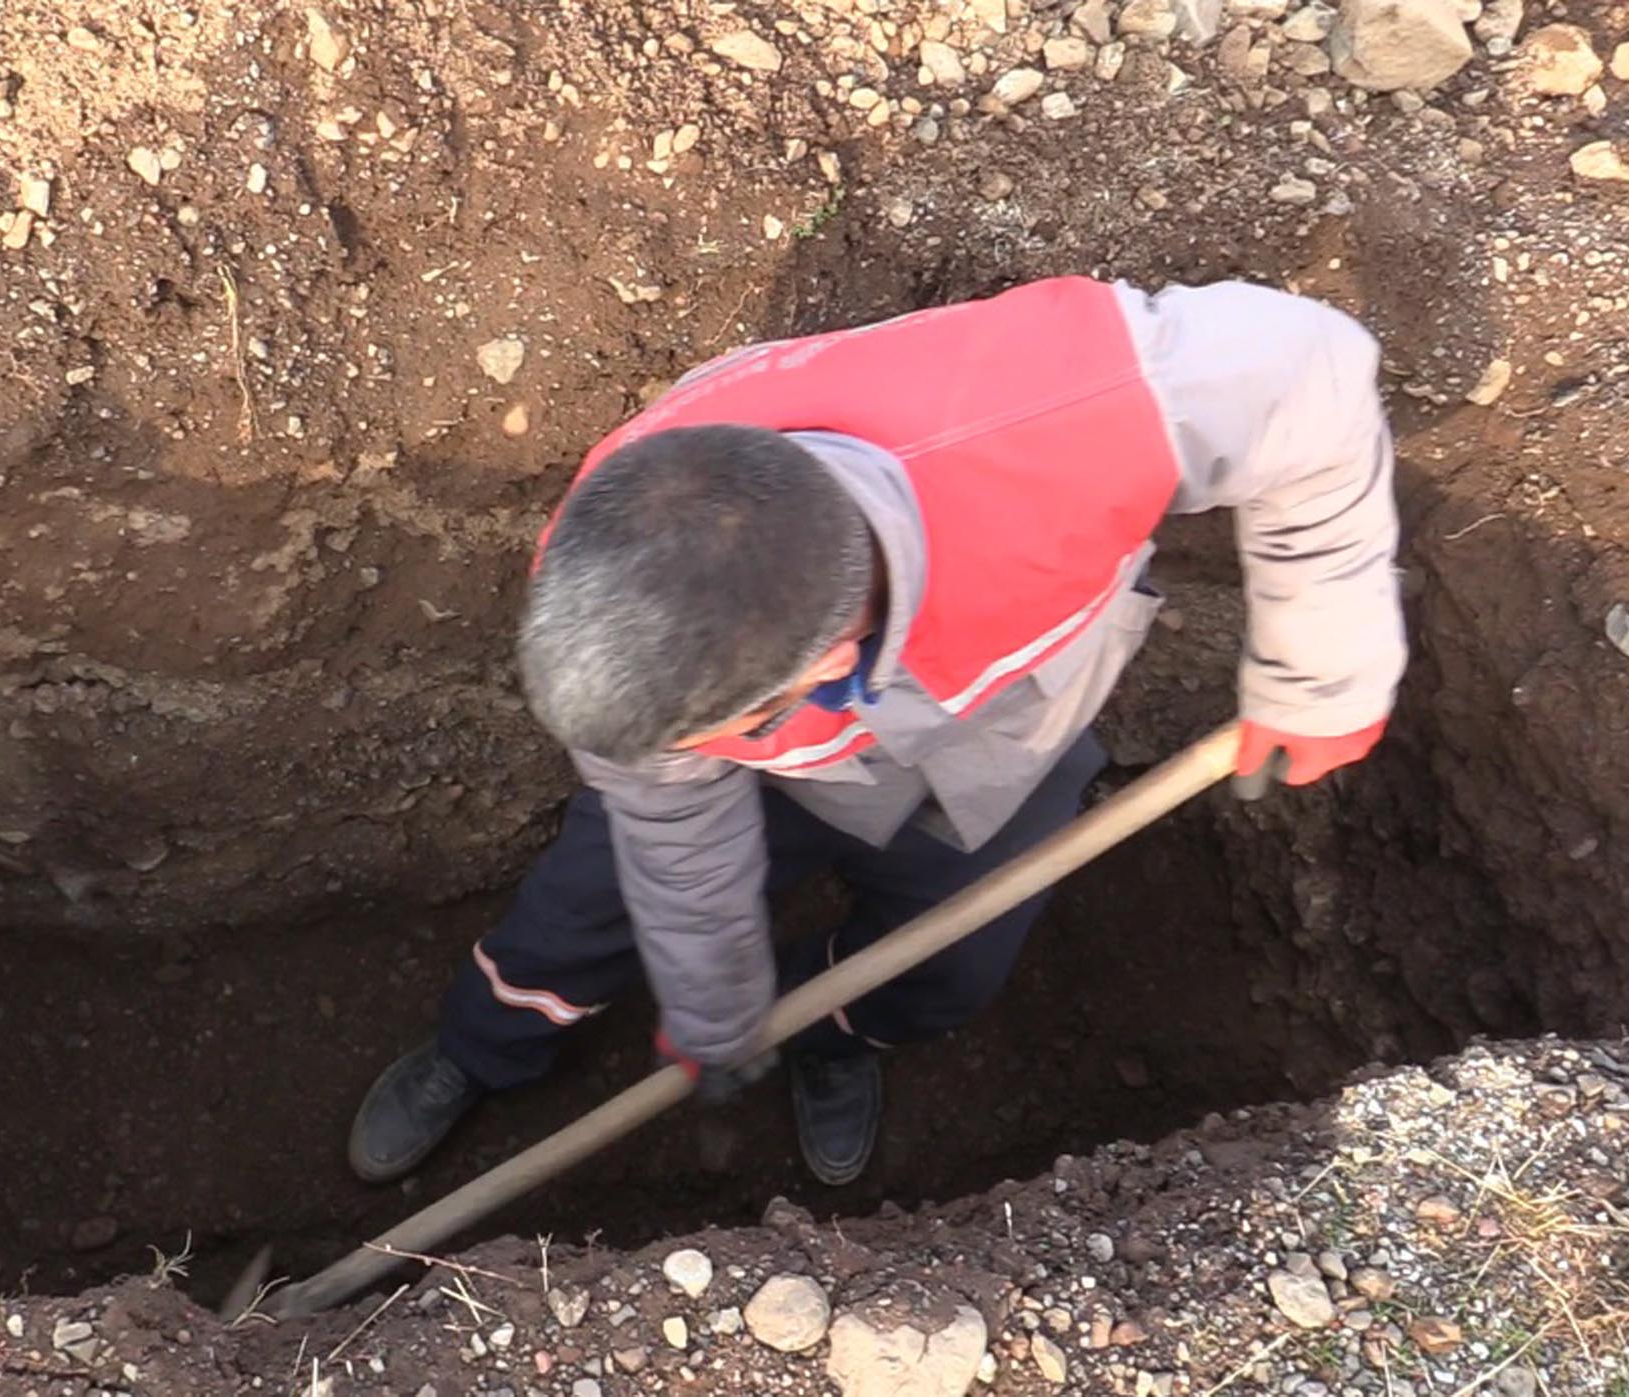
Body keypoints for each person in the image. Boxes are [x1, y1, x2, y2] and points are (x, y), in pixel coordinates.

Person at [347, 277, 1405, 1186]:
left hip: (1007, 730)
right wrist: (715, 1003)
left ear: (817, 663)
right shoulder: (618, 584)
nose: (672, 758)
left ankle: (831, 1034)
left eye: (706, 734)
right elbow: (677, 836)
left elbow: (1306, 368)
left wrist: (1322, 668)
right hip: (794, 757)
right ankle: (481, 1051)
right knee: (575, 916)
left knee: (951, 967)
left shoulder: (1058, 420)